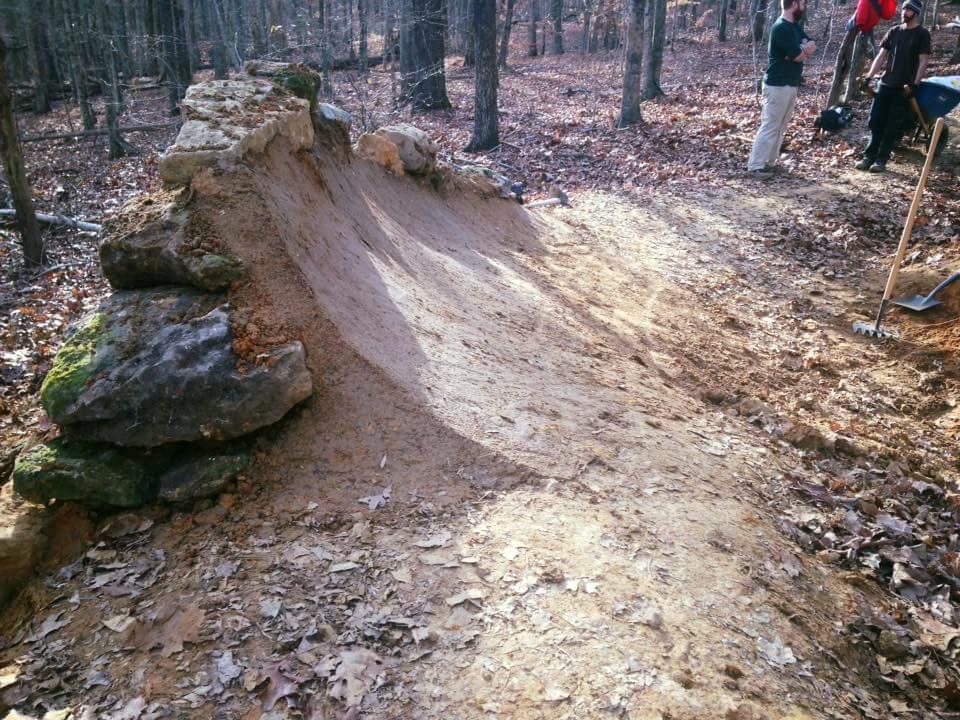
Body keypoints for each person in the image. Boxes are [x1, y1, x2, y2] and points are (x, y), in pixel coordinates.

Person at [856, 0, 931, 173]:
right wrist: (869, 77)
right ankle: (869, 156)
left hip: (903, 88)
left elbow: (923, 60)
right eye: (903, 8)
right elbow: (881, 56)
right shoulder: (894, 31)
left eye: (907, 10)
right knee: (875, 121)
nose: (903, 12)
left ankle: (881, 160)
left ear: (915, 13)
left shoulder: (922, 34)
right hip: (885, 83)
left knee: (891, 125)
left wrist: (915, 84)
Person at [747, 0, 816, 178]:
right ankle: (755, 166)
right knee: (770, 125)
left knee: (781, 126)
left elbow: (811, 45)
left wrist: (799, 51)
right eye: (802, 3)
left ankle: (769, 162)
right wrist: (800, 52)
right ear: (794, 4)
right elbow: (799, 55)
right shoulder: (781, 28)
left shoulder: (794, 27)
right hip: (778, 84)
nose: (804, 6)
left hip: (790, 84)